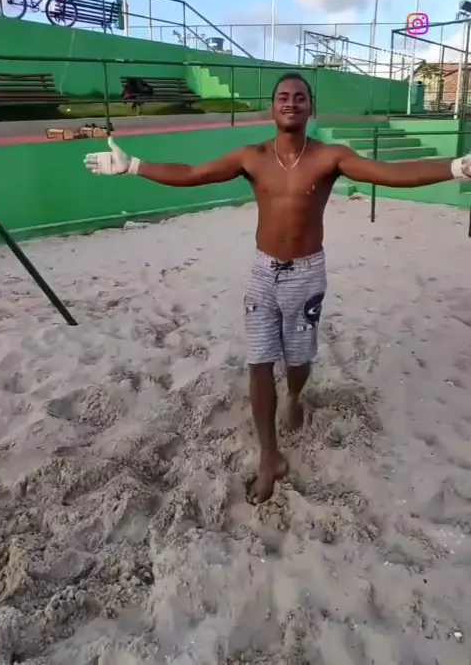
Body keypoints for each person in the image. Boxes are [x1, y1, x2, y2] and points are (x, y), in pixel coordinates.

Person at [84, 73, 471, 503]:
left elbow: (390, 173)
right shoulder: (253, 158)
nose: (291, 102)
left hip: (307, 274)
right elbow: (193, 173)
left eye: (299, 97)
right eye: (283, 97)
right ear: (272, 108)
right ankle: (270, 457)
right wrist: (134, 166)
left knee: (298, 361)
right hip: (262, 273)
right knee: (259, 362)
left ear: (310, 107)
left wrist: (457, 167)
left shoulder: (329, 157)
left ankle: (295, 394)